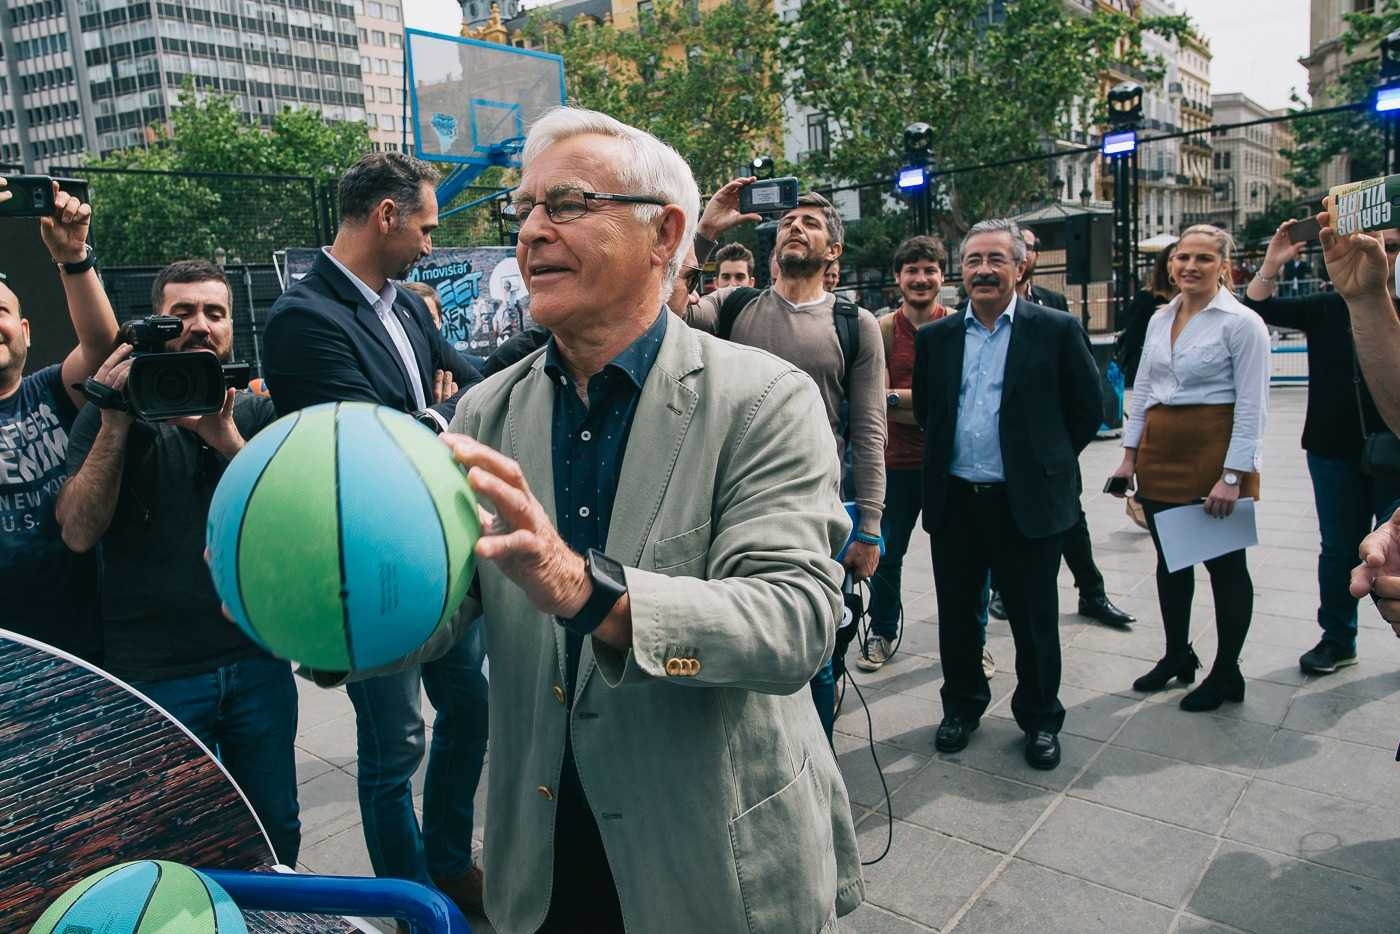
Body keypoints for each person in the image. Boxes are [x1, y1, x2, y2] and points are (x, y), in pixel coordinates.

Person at [360, 106, 862, 933]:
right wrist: (333, 616)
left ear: (665, 234)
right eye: (520, 210)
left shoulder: (765, 401)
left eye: (565, 204)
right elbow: (448, 608)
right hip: (546, 862)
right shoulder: (484, 412)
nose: (530, 234)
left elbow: (794, 625)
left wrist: (581, 588)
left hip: (708, 860)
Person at [262, 152, 489, 916]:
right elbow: (369, 445)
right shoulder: (302, 318)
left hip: (446, 555)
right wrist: (443, 420)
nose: (431, 245)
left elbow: (470, 378)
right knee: (396, 750)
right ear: (387, 217)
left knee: (472, 709)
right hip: (369, 573)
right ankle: (412, 902)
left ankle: (451, 860)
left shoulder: (406, 306)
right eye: (425, 227)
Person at [54, 260, 300, 864]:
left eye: (214, 313)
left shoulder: (254, 414)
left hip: (255, 663)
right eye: (181, 312)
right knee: (177, 844)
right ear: (156, 325)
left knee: (277, 831)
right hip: (155, 673)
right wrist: (114, 419)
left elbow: (297, 525)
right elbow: (78, 532)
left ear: (231, 328)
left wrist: (225, 441)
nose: (199, 325)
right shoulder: (113, 412)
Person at [684, 187, 886, 741]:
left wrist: (869, 526)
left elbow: (868, 430)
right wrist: (705, 233)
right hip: (727, 504)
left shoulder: (855, 324)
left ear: (833, 251)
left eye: (811, 223)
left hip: (813, 514)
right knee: (733, 635)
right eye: (789, 221)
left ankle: (813, 761)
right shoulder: (734, 306)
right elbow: (668, 306)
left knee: (812, 649)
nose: (795, 227)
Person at [914, 218, 1102, 771]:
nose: (983, 270)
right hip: (956, 503)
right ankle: (963, 706)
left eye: (996, 259)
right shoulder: (938, 338)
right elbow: (928, 412)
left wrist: (1043, 461)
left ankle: (1041, 717)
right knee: (958, 616)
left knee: (1034, 619)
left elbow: (1088, 410)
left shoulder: (1056, 329)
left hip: (1026, 507)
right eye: (973, 261)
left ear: (1021, 268)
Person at [1107, 225, 1270, 712]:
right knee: (1170, 561)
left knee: (1225, 567)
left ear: (1224, 265)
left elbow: (1252, 408)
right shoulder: (1160, 317)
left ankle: (1227, 672)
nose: (1189, 267)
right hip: (1160, 454)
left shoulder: (1242, 323)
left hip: (1213, 455)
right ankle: (1178, 655)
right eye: (1182, 258)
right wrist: (1128, 455)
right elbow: (1144, 391)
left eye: (1202, 258)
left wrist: (1233, 476)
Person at [1242, 219, 1400, 675]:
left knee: (1396, 549)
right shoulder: (1329, 306)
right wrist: (1272, 262)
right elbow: (1259, 306)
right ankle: (1337, 637)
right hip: (1333, 449)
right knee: (1337, 549)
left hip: (1398, 456)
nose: (1383, 256)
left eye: (1393, 247)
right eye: (1377, 245)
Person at [858, 235, 994, 678]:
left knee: (966, 559)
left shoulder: (959, 327)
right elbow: (869, 402)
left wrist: (897, 401)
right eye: (912, 270)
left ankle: (975, 643)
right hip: (893, 465)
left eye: (929, 270)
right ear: (898, 278)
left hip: (949, 465)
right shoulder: (880, 329)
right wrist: (921, 404)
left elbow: (960, 401)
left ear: (942, 276)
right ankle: (882, 630)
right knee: (886, 554)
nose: (921, 278)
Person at [986, 225, 1134, 629]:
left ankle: (1093, 592)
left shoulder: (1053, 307)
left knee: (1071, 520)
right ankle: (1002, 590)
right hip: (1000, 457)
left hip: (1050, 454)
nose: (1030, 255)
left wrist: (1059, 448)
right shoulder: (981, 314)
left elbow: (1084, 395)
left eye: (1031, 249)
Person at [0, 178, 116, 662]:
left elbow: (103, 348)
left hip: (81, 639)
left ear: (24, 329)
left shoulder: (49, 390)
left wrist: (73, 256)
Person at [1117, 245, 1177, 386]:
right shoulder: (1147, 298)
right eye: (1172, 259)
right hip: (1149, 377)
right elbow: (1134, 340)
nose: (1178, 264)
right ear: (1163, 264)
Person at [1016, 225, 1069, 310]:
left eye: (1026, 247)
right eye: (1014, 247)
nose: (1019, 253)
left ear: (1036, 255)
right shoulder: (989, 303)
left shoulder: (1055, 302)